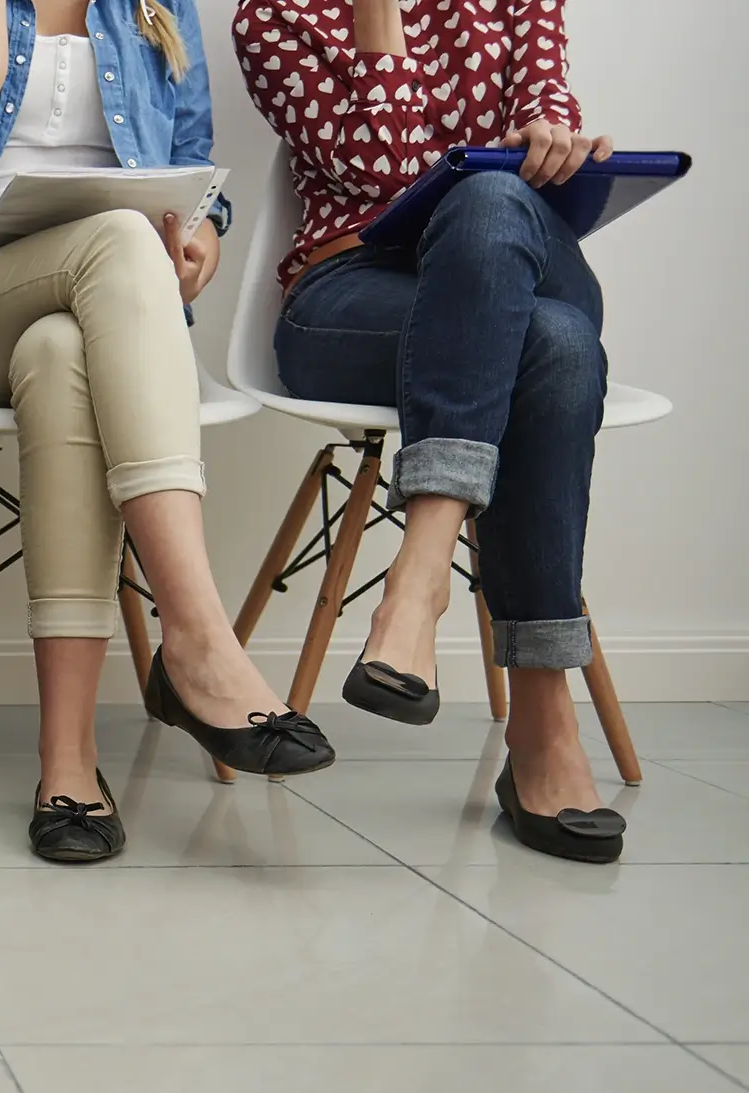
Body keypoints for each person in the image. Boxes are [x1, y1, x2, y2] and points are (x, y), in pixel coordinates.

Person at [0, 0, 337, 862]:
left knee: (61, 356)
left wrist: (199, 241)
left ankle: (69, 767)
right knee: (121, 240)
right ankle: (198, 637)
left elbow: (195, 172)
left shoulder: (155, 6)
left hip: (96, 316)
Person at [238, 0, 629, 862]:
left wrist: (557, 145)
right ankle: (542, 720)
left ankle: (419, 578)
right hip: (348, 299)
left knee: (492, 199)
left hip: (515, 256)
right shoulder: (274, 15)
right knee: (555, 348)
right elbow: (384, 177)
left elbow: (545, 115)